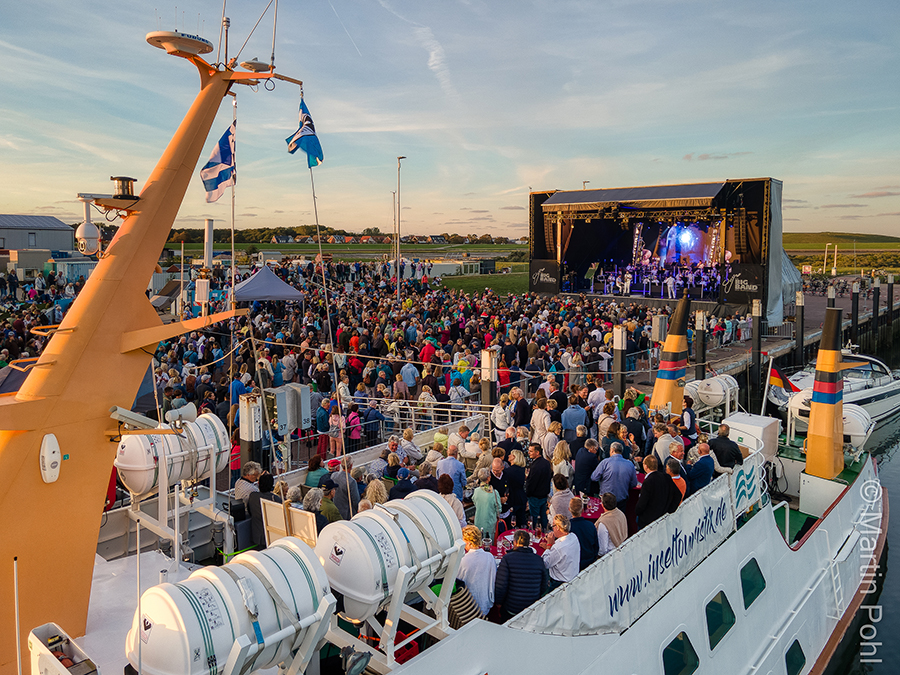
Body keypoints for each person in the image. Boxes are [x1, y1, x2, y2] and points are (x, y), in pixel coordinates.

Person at [494, 530, 549, 622]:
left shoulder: (507, 559)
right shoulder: (538, 559)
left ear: (515, 542)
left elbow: (501, 585)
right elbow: (544, 584)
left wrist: (498, 602)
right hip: (531, 607)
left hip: (512, 607)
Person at [457, 525, 497, 616]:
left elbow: (457, 581)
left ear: (468, 542)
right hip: (485, 602)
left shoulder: (463, 560)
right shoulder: (489, 557)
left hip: (467, 606)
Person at [590, 442, 637, 513]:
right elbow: (634, 483)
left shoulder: (605, 462)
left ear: (612, 450)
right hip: (622, 499)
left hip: (606, 500)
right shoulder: (630, 464)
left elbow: (594, 477)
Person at [634, 456, 679, 529]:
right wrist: (670, 510)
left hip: (648, 521)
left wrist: (637, 511)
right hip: (662, 517)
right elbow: (678, 495)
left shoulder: (648, 482)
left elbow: (643, 502)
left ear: (646, 466)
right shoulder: (666, 477)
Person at [541, 514, 580, 590]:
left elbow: (545, 563)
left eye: (553, 526)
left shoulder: (558, 547)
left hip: (559, 583)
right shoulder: (574, 537)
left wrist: (549, 546)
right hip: (573, 577)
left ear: (558, 527)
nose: (552, 529)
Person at [247, 472, 283, 549]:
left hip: (256, 535)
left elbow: (250, 511)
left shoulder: (253, 496)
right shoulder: (275, 499)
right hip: (272, 537)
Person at [525, 443, 552, 531]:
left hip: (535, 496)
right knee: (543, 515)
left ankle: (533, 532)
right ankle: (544, 530)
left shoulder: (535, 466)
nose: (529, 453)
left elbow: (531, 483)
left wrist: (528, 494)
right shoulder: (546, 463)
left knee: (534, 517)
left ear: (537, 452)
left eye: (531, 451)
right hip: (544, 494)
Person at [568, 497, 599, 570]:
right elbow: (596, 546)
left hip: (574, 563)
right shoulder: (590, 525)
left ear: (569, 509)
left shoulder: (567, 527)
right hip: (589, 562)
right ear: (582, 510)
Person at [473, 468, 502, 537]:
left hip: (478, 522)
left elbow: (474, 502)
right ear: (488, 478)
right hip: (490, 524)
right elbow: (499, 509)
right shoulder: (494, 493)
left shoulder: (476, 491)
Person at [505, 449, 528, 528]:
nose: (508, 455)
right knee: (522, 520)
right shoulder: (522, 470)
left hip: (512, 498)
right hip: (521, 497)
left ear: (514, 457)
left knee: (512, 521)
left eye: (510, 454)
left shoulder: (507, 471)